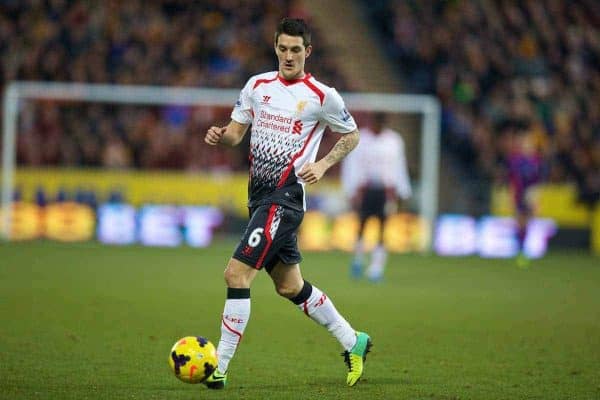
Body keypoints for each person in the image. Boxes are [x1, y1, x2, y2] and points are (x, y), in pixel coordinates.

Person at [203, 18, 371, 389]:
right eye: (283, 49)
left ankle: (220, 366)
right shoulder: (256, 86)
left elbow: (352, 134)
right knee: (289, 286)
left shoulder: (322, 95)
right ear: (276, 48)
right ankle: (353, 340)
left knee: (236, 274)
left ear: (307, 52)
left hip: (287, 199)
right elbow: (235, 134)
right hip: (259, 199)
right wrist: (221, 136)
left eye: (296, 50)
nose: (289, 56)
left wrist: (324, 164)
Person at [341, 112, 412, 281]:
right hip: (365, 189)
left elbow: (399, 166)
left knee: (383, 229)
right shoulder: (362, 139)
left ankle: (376, 268)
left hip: (385, 191)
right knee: (362, 226)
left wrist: (402, 190)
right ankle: (358, 262)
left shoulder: (394, 141)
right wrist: (352, 189)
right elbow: (352, 165)